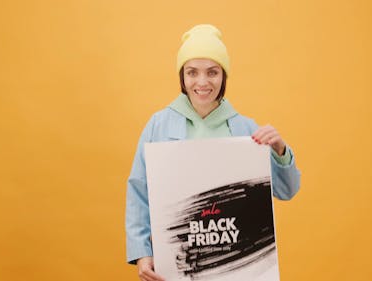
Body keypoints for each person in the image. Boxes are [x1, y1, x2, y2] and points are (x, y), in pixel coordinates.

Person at [125, 24, 301, 281]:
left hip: (237, 267)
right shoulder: (158, 126)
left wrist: (280, 150)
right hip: (180, 267)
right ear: (182, 77)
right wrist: (142, 253)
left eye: (213, 72)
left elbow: (288, 190)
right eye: (192, 72)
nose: (202, 82)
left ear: (224, 76)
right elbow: (138, 193)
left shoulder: (246, 130)